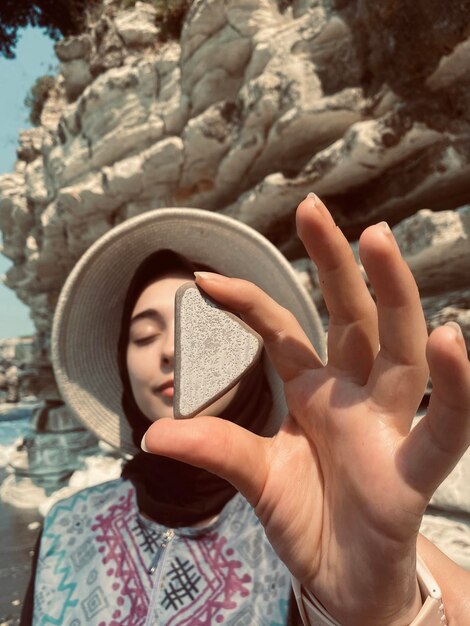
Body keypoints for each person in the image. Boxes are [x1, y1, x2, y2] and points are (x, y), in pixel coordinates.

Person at [22, 195, 470, 625]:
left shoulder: (316, 517)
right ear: (121, 362)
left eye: (201, 328)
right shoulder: (65, 525)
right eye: (143, 335)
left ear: (253, 356)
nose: (173, 350)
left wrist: (384, 614)